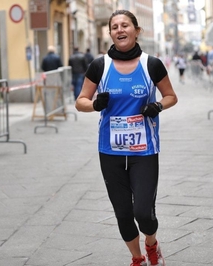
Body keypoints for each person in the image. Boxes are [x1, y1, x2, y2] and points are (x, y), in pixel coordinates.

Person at [75, 9, 177, 266]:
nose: (120, 30)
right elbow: (80, 102)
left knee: (143, 213)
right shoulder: (100, 66)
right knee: (123, 213)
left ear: (136, 30)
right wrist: (96, 105)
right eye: (115, 27)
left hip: (144, 150)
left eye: (125, 25)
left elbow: (171, 96)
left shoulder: (151, 64)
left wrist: (158, 106)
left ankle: (152, 244)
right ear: (110, 33)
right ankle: (137, 258)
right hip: (110, 151)